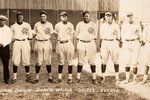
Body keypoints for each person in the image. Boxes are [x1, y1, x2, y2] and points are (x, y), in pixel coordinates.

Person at [75, 10, 98, 84]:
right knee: (80, 61)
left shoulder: (93, 24)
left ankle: (94, 78)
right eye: (84, 16)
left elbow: (95, 35)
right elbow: (76, 34)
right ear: (83, 17)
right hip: (81, 42)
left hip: (90, 43)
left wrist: (89, 39)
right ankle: (78, 78)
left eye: (87, 16)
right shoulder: (79, 24)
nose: (86, 17)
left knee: (92, 61)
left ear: (89, 16)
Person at [11, 12, 32, 83]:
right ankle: (14, 77)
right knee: (15, 59)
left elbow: (30, 36)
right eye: (19, 17)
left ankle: (28, 76)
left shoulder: (27, 25)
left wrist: (26, 41)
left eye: (21, 17)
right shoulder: (13, 26)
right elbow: (11, 37)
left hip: (25, 42)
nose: (20, 18)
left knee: (26, 59)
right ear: (16, 18)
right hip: (16, 42)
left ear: (23, 18)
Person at [33, 11, 54, 83]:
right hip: (39, 42)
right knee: (38, 61)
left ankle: (50, 76)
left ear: (46, 17)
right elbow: (34, 34)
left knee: (48, 60)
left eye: (44, 16)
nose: (43, 18)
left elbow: (51, 34)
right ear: (40, 17)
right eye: (41, 16)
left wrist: (46, 39)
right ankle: (37, 77)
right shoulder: (36, 24)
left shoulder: (50, 24)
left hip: (47, 42)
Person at [121, 12, 142, 84]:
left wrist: (139, 42)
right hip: (127, 43)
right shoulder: (124, 25)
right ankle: (127, 78)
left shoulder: (137, 25)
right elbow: (122, 35)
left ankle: (134, 79)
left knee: (135, 61)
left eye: (130, 16)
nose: (129, 17)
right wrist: (124, 42)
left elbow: (140, 35)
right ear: (126, 17)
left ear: (133, 16)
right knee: (127, 61)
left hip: (135, 42)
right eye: (128, 16)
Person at [100, 12, 120, 84]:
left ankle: (117, 77)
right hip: (105, 42)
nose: (108, 17)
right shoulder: (102, 26)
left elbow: (118, 37)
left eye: (109, 16)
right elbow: (102, 35)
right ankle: (103, 77)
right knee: (103, 60)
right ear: (105, 17)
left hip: (113, 42)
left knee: (115, 60)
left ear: (112, 17)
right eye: (106, 16)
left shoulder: (116, 26)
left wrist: (116, 44)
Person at [55, 11, 75, 84]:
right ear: (60, 17)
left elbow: (72, 35)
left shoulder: (71, 25)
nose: (63, 17)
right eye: (62, 16)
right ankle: (59, 78)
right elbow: (56, 35)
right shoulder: (57, 25)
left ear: (67, 16)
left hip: (68, 43)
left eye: (64, 16)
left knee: (70, 61)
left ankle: (70, 78)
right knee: (61, 61)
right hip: (60, 43)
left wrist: (72, 45)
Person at [0, 15, 11, 84]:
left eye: (3, 20)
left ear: (5, 21)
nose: (1, 21)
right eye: (0, 20)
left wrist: (2, 43)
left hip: (5, 48)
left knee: (6, 64)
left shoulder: (8, 29)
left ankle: (6, 78)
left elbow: (9, 39)